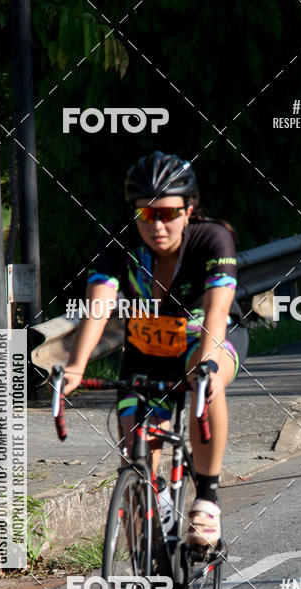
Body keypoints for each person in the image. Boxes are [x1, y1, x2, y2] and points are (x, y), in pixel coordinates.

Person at [62, 150, 248, 547]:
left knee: (205, 379)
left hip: (209, 338)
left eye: (168, 213)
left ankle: (207, 499)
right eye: (147, 214)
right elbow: (98, 306)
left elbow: (216, 313)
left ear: (189, 209)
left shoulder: (212, 237)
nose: (158, 224)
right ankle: (143, 575)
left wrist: (208, 365)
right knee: (136, 454)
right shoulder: (119, 240)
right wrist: (75, 366)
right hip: (147, 350)